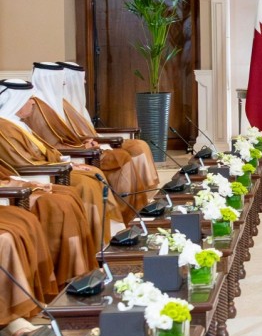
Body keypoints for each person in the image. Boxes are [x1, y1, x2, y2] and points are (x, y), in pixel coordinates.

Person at [0, 79, 125, 244]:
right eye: (28, 99)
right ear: (15, 101)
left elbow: (46, 150)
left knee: (94, 173)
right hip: (40, 175)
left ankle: (105, 234)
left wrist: (68, 163)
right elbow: (22, 163)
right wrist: (66, 166)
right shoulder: (4, 127)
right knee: (85, 185)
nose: (33, 102)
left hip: (51, 168)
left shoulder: (17, 123)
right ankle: (94, 241)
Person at [19, 63, 156, 200]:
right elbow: (51, 144)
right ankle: (128, 202)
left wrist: (85, 143)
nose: (84, 82)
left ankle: (139, 198)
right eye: (61, 80)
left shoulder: (57, 103)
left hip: (76, 150)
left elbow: (69, 136)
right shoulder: (38, 110)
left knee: (135, 148)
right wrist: (83, 147)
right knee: (121, 157)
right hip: (71, 155)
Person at [57, 61, 158, 190]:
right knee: (124, 155)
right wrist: (86, 145)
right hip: (87, 148)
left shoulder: (76, 103)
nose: (85, 82)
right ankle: (131, 195)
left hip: (97, 141)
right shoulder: (60, 108)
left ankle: (146, 191)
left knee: (140, 145)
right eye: (82, 79)